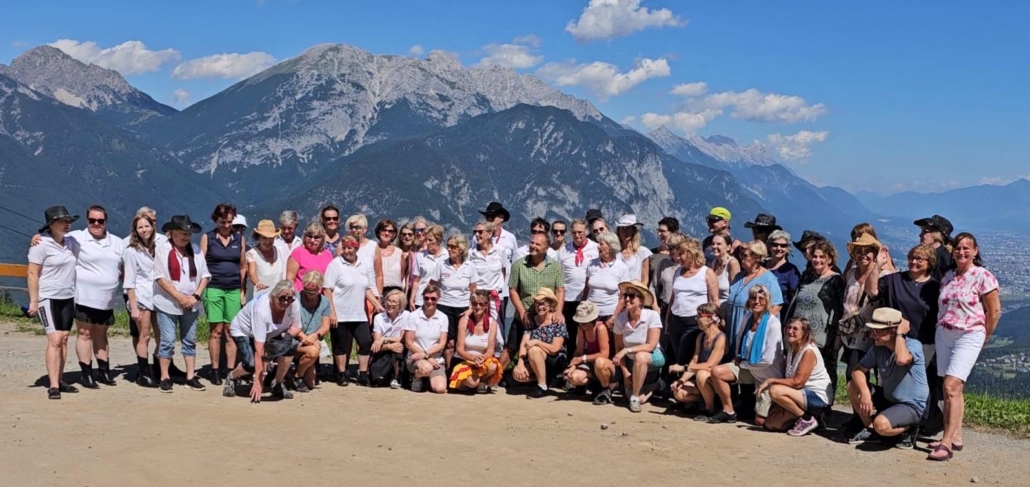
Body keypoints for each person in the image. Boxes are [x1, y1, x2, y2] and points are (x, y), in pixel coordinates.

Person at [930, 232, 1000, 461]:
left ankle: (946, 442)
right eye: (958, 248)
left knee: (950, 386)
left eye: (966, 248)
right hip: (945, 333)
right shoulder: (948, 276)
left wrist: (985, 335)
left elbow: (994, 311)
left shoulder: (983, 276)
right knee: (952, 388)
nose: (961, 252)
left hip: (969, 334)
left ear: (975, 251)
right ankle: (956, 434)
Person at [846, 308, 929, 451]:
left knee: (881, 425)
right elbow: (858, 370)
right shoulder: (878, 348)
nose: (873, 335)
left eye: (877, 331)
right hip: (890, 400)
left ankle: (909, 429)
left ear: (892, 331)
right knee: (852, 386)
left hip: (912, 405)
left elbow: (902, 359)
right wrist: (865, 393)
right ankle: (871, 429)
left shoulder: (913, 345)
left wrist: (901, 334)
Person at [706, 285, 785, 424]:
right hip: (748, 367)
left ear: (767, 301)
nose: (757, 301)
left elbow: (767, 361)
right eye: (753, 298)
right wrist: (738, 356)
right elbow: (740, 338)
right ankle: (728, 411)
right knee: (717, 372)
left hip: (766, 374)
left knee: (760, 421)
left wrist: (742, 364)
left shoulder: (773, 324)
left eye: (761, 299)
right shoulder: (748, 317)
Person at [66, 205, 126, 388]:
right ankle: (86, 374)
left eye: (100, 221)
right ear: (87, 221)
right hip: (83, 296)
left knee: (101, 333)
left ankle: (104, 371)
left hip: (107, 298)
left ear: (106, 222)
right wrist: (38, 238)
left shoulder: (117, 242)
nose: (96, 224)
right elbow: (54, 238)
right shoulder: (76, 237)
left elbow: (126, 266)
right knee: (84, 333)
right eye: (92, 220)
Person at [27, 206, 81, 399]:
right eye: (62, 222)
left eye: (68, 221)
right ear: (51, 224)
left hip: (68, 296)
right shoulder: (40, 244)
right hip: (48, 297)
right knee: (55, 339)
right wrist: (34, 301)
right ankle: (53, 385)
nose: (67, 225)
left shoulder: (71, 242)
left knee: (64, 338)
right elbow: (32, 273)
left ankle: (60, 378)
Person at [153, 215, 211, 393]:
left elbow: (205, 276)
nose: (186, 237)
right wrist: (179, 297)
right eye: (182, 233)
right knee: (168, 340)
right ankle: (164, 377)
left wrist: (196, 296)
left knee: (190, 340)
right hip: (167, 303)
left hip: (191, 303)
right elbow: (160, 278)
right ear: (172, 233)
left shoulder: (196, 250)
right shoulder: (162, 250)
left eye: (188, 233)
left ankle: (191, 376)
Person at [223, 281, 304, 402]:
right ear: (274, 296)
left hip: (272, 332)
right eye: (282, 298)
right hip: (244, 330)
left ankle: (277, 383)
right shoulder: (261, 310)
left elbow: (297, 327)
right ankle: (231, 376)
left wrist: (286, 337)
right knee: (251, 364)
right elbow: (259, 350)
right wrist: (258, 380)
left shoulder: (294, 303)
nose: (286, 302)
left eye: (290, 299)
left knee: (290, 345)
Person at [783, 239, 844, 399]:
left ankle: (823, 405)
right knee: (798, 370)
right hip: (798, 333)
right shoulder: (807, 275)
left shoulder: (836, 280)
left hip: (822, 336)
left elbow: (839, 310)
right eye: (815, 256)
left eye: (822, 257)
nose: (817, 260)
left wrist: (837, 336)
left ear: (830, 259)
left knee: (823, 371)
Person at [324, 236, 383, 386]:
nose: (346, 251)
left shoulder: (364, 264)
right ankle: (342, 374)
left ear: (356, 248)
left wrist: (376, 304)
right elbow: (327, 289)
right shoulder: (335, 264)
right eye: (344, 248)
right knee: (341, 345)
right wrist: (332, 312)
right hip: (341, 313)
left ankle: (362, 374)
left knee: (365, 342)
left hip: (359, 313)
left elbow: (367, 288)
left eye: (349, 248)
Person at [759, 318, 834, 436]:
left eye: (795, 329)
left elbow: (798, 382)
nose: (790, 331)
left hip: (817, 396)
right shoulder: (792, 348)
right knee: (771, 424)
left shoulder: (808, 351)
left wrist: (771, 380)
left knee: (775, 390)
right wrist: (780, 405)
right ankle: (815, 420)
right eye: (789, 328)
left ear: (804, 332)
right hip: (799, 394)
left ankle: (806, 419)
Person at [200, 203, 246, 385]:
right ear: (216, 220)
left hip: (233, 288)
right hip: (213, 287)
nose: (226, 225)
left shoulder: (239, 239)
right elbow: (201, 263)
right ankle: (215, 369)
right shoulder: (208, 238)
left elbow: (243, 265)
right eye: (222, 222)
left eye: (229, 222)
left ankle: (230, 370)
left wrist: (242, 289)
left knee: (231, 330)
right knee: (216, 330)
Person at [506, 233, 565, 373]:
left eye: (538, 244)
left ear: (546, 248)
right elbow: (513, 290)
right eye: (532, 242)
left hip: (546, 317)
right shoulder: (518, 265)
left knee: (544, 348)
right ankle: (496, 377)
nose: (533, 246)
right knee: (511, 348)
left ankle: (548, 377)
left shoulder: (555, 266)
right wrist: (522, 312)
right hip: (524, 315)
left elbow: (560, 290)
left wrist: (558, 311)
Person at [840, 234, 891, 386]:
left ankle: (867, 400)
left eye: (867, 251)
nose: (862, 255)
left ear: (875, 254)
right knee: (855, 375)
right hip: (850, 332)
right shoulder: (851, 273)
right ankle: (862, 400)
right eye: (858, 251)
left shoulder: (884, 276)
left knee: (856, 373)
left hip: (871, 334)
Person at [665, 238, 720, 366]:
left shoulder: (707, 272)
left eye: (681, 254)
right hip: (676, 319)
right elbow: (673, 297)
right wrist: (668, 320)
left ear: (691, 253)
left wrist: (713, 323)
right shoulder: (678, 272)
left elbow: (714, 300)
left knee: (688, 355)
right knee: (677, 354)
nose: (678, 258)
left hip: (695, 321)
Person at [612, 281, 665, 412]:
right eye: (625, 295)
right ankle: (657, 385)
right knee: (641, 397)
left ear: (641, 300)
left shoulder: (652, 315)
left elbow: (651, 345)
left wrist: (627, 350)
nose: (627, 299)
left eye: (632, 296)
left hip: (653, 355)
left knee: (640, 356)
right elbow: (618, 348)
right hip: (630, 360)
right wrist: (625, 372)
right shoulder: (620, 318)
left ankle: (634, 397)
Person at [724, 241, 783, 354]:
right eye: (741, 255)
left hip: (750, 331)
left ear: (757, 257)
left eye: (745, 255)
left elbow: (776, 306)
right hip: (732, 328)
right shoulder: (739, 276)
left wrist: (758, 326)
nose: (741, 258)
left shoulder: (768, 279)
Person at [429, 233, 478, 369]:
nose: (449, 249)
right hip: (444, 306)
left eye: (453, 246)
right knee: (449, 343)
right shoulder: (442, 264)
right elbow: (432, 285)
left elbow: (473, 289)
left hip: (463, 308)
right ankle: (447, 371)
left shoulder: (470, 266)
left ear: (461, 249)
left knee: (461, 341)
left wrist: (471, 309)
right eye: (448, 246)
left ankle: (459, 370)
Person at [670, 303, 727, 417]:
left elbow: (710, 366)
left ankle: (709, 409)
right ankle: (703, 401)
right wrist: (681, 380)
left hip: (716, 381)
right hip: (703, 381)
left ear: (711, 318)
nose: (697, 319)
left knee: (701, 374)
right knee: (679, 393)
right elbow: (694, 361)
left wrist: (682, 368)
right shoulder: (701, 337)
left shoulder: (721, 338)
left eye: (700, 316)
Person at [123, 213, 159, 387]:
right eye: (140, 227)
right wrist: (134, 307)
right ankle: (144, 373)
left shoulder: (159, 247)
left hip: (158, 296)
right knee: (144, 336)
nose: (144, 230)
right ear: (135, 231)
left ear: (152, 227)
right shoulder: (131, 251)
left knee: (162, 337)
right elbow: (129, 281)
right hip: (141, 297)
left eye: (147, 226)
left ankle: (159, 369)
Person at [512, 287, 568, 398]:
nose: (540, 307)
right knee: (517, 374)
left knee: (534, 349)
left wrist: (537, 342)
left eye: (544, 304)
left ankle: (542, 386)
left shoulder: (558, 321)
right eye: (537, 303)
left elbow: (555, 349)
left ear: (550, 305)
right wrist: (520, 363)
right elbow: (524, 343)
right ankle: (544, 379)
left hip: (555, 360)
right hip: (535, 360)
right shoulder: (532, 320)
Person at [448, 290, 502, 392]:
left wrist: (482, 359)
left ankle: (482, 381)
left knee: (493, 366)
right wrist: (473, 358)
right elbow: (459, 349)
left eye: (481, 304)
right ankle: (468, 384)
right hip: (464, 359)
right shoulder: (464, 321)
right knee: (473, 383)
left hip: (482, 361)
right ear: (471, 304)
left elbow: (491, 350)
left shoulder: (492, 323)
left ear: (487, 305)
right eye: (474, 303)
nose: (478, 307)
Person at [558, 219, 598, 356]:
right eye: (574, 232)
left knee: (588, 333)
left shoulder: (595, 248)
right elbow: (559, 274)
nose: (577, 235)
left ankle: (587, 360)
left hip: (588, 299)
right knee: (570, 333)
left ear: (586, 232)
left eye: (580, 232)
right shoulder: (564, 251)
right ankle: (570, 360)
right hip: (568, 299)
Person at [563, 301, 616, 404]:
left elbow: (604, 354)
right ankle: (593, 385)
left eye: (584, 322)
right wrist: (573, 366)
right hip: (591, 364)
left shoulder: (600, 328)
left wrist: (582, 359)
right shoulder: (581, 329)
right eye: (580, 322)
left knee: (600, 362)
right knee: (574, 378)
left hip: (607, 365)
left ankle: (605, 389)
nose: (582, 325)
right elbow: (579, 351)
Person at [581, 231, 631, 331]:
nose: (598, 246)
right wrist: (582, 308)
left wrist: (613, 318)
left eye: (601, 244)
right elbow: (586, 289)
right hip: (590, 313)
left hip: (609, 314)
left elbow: (623, 297)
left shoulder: (622, 268)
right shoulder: (592, 263)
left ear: (611, 247)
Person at [403, 285, 449, 393]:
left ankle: (426, 379)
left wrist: (426, 355)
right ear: (422, 297)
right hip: (415, 357)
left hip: (435, 359)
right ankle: (417, 376)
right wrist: (427, 357)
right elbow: (408, 343)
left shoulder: (443, 317)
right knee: (427, 368)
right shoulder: (413, 316)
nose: (429, 301)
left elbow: (442, 344)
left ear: (438, 299)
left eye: (433, 299)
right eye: (426, 298)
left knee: (440, 389)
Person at [468, 221, 507, 348]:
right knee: (478, 327)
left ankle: (498, 354)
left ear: (490, 234)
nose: (477, 235)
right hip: (478, 298)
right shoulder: (471, 253)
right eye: (475, 232)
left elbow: (504, 272)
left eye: (480, 232)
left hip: (495, 297)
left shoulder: (500, 251)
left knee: (498, 331)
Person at [295, 271, 330, 392]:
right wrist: (306, 338)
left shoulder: (325, 302)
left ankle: (296, 373)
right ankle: (298, 377)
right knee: (314, 351)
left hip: (313, 339)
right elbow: (290, 325)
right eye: (307, 290)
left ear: (319, 288)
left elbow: (325, 326)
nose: (309, 294)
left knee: (311, 384)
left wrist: (314, 336)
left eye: (313, 291)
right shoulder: (295, 299)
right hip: (296, 337)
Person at [370, 289, 409, 388]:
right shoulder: (378, 318)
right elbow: (376, 343)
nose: (390, 304)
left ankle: (396, 377)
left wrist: (384, 339)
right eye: (389, 300)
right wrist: (389, 346)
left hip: (400, 348)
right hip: (384, 349)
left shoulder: (407, 315)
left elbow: (403, 339)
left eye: (394, 302)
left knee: (398, 347)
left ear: (401, 304)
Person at [286, 222, 333, 291]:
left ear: (322, 238)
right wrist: (296, 295)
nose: (312, 240)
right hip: (301, 295)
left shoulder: (328, 255)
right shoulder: (298, 252)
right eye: (309, 236)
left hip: (321, 296)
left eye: (316, 237)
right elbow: (290, 279)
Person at [246, 220, 287, 299]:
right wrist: (258, 283)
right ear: (258, 238)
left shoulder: (278, 251)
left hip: (277, 297)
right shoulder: (252, 254)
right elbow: (252, 272)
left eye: (270, 238)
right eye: (264, 238)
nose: (268, 242)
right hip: (259, 297)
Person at [409, 224, 446, 310]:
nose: (428, 242)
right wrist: (412, 298)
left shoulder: (446, 256)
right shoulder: (420, 256)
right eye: (426, 239)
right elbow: (416, 280)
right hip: (422, 299)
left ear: (438, 240)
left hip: (440, 300)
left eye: (430, 240)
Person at [765, 230, 801, 313]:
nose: (779, 248)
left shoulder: (791, 270)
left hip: (779, 315)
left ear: (787, 249)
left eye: (783, 246)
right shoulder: (761, 266)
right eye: (775, 245)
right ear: (769, 246)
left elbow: (795, 296)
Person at [653, 234, 687, 314]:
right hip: (665, 306)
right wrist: (655, 307)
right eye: (667, 247)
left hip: (683, 308)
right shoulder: (663, 263)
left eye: (671, 248)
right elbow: (653, 287)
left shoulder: (688, 265)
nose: (668, 250)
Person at [914, 215, 955, 281]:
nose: (920, 235)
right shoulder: (925, 254)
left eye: (925, 231)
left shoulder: (945, 257)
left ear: (937, 235)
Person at [614, 214, 652, 285]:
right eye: (622, 228)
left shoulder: (642, 252)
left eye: (627, 229)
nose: (624, 232)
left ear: (633, 231)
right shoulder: (614, 253)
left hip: (635, 289)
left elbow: (645, 279)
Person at [649, 217, 679, 303]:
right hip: (658, 301)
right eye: (658, 231)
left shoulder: (681, 257)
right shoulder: (651, 254)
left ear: (673, 233)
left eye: (662, 231)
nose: (659, 234)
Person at [373, 219, 405, 296]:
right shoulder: (372, 251)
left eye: (390, 231)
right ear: (378, 232)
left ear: (394, 234)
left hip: (396, 293)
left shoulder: (399, 252)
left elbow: (402, 274)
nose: (387, 233)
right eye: (384, 230)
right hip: (377, 292)